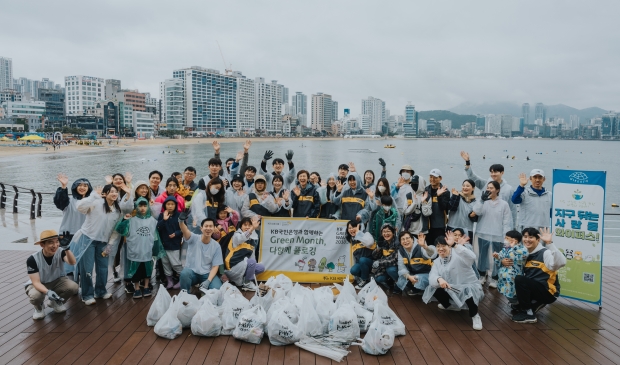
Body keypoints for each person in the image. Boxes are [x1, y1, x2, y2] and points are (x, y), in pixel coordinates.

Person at [70, 184, 122, 305]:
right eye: (111, 192)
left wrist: (110, 245)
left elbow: (115, 230)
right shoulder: (96, 203)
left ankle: (100, 291)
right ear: (104, 194)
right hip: (88, 238)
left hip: (104, 242)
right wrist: (93, 195)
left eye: (116, 192)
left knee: (103, 268)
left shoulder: (117, 210)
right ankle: (87, 295)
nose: (114, 194)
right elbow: (79, 206)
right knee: (87, 268)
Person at [422, 232, 484, 331]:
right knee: (433, 287)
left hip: (469, 287)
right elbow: (432, 277)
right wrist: (439, 279)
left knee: (468, 290)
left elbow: (472, 257)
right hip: (452, 288)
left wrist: (455, 245)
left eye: (443, 246)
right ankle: (452, 306)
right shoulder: (437, 261)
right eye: (438, 246)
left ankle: (475, 315)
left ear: (449, 246)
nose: (440, 249)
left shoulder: (459, 255)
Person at [511, 227, 566, 323]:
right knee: (509, 276)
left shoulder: (545, 253)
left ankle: (528, 314)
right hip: (534, 288)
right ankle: (529, 303)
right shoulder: (523, 252)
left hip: (548, 292)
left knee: (520, 280)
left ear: (538, 240)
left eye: (531, 237)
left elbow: (561, 263)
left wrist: (550, 243)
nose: (527, 240)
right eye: (525, 237)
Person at [114, 198, 166, 299]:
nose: (142, 208)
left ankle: (146, 286)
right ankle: (136, 288)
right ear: (136, 207)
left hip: (147, 250)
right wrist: (124, 219)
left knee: (147, 269)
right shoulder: (131, 220)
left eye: (145, 206)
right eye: (140, 206)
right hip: (135, 251)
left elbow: (156, 237)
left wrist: (155, 249)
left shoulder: (152, 221)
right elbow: (120, 230)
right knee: (135, 270)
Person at [26, 230, 79, 319]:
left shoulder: (61, 251)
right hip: (40, 283)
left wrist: (67, 248)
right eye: (51, 243)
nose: (55, 245)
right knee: (35, 297)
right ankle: (39, 307)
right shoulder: (32, 259)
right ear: (42, 245)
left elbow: (72, 262)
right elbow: (36, 282)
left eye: (57, 242)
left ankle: (55, 302)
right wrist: (48, 292)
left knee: (74, 287)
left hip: (57, 280)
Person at [460, 151, 517, 229]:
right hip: (484, 222)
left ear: (502, 173)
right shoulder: (485, 184)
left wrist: (513, 227)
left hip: (500, 224)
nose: (493, 174)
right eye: (491, 172)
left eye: (496, 172)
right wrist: (467, 162)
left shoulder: (509, 189)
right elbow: (472, 177)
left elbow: (512, 209)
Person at [472, 181, 512, 288]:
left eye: (492, 188)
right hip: (482, 232)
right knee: (482, 255)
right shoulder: (483, 201)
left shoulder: (504, 204)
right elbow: (476, 211)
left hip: (497, 234)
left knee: (497, 256)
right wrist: (481, 200)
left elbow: (507, 222)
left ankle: (495, 277)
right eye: (488, 187)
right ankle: (482, 275)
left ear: (497, 190)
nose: (489, 189)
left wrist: (506, 238)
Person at [53, 174, 92, 274]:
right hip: (68, 235)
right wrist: (63, 187)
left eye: (85, 185)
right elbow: (59, 201)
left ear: (89, 188)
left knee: (83, 264)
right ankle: (69, 287)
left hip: (85, 235)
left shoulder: (91, 201)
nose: (82, 187)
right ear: (75, 187)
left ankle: (82, 286)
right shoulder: (69, 201)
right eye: (80, 185)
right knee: (68, 264)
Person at [178, 215, 224, 292]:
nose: (208, 228)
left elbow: (215, 266)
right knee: (184, 274)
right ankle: (185, 295)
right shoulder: (193, 238)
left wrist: (208, 280)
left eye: (211, 226)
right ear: (201, 228)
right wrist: (181, 222)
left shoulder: (216, 246)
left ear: (214, 229)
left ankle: (204, 289)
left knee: (217, 289)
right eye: (206, 226)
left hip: (207, 274)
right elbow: (185, 231)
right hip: (192, 273)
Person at [223, 217, 265, 292]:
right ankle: (247, 284)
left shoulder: (252, 239)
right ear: (241, 226)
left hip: (243, 265)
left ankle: (244, 279)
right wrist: (252, 229)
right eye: (245, 225)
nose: (247, 227)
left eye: (249, 225)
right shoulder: (236, 235)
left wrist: (252, 267)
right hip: (232, 266)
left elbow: (252, 256)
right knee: (251, 262)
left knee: (261, 267)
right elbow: (241, 238)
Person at [493, 230, 528, 306]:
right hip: (503, 277)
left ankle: (517, 303)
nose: (505, 239)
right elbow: (501, 257)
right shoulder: (506, 248)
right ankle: (514, 303)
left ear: (515, 240)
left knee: (513, 292)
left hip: (513, 277)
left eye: (507, 238)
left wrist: (514, 247)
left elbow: (520, 257)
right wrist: (498, 257)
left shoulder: (521, 249)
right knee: (506, 292)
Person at [396, 232, 437, 296]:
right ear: (400, 242)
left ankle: (428, 291)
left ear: (412, 239)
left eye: (407, 238)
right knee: (402, 277)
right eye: (403, 239)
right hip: (413, 273)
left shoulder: (420, 246)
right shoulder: (401, 251)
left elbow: (432, 254)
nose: (405, 241)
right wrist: (409, 276)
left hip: (427, 273)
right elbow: (401, 267)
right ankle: (417, 290)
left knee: (417, 278)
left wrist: (425, 246)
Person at [157, 196, 183, 289]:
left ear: (176, 205)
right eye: (168, 204)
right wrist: (164, 219)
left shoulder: (179, 215)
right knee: (166, 263)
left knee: (176, 263)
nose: (170, 206)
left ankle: (182, 280)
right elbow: (158, 228)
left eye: (172, 204)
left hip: (174, 244)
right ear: (165, 205)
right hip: (163, 245)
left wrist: (176, 234)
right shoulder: (161, 215)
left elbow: (183, 229)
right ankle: (169, 281)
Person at [371, 224, 401, 294]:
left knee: (391, 269)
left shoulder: (397, 243)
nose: (386, 234)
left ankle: (399, 284)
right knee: (379, 278)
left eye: (388, 231)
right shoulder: (383, 242)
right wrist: (378, 249)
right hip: (385, 266)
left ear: (393, 232)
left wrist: (379, 262)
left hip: (396, 267)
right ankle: (390, 280)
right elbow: (375, 257)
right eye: (384, 232)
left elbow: (394, 260)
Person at [347, 220, 376, 289]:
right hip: (361, 263)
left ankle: (364, 280)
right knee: (353, 270)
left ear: (358, 226)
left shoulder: (366, 234)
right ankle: (368, 278)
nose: (351, 229)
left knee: (362, 260)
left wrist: (358, 233)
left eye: (353, 227)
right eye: (349, 228)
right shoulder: (352, 240)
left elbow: (369, 243)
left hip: (371, 263)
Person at [425, 169, 451, 246]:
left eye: (435, 177)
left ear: (440, 178)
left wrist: (439, 196)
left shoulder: (445, 191)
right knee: (428, 246)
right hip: (427, 225)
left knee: (439, 245)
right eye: (431, 177)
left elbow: (444, 208)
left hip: (439, 225)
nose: (432, 179)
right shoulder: (426, 190)